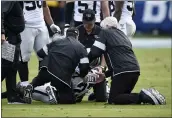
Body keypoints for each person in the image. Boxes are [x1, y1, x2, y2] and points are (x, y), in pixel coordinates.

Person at [87, 16, 166, 105]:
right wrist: (105, 75)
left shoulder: (105, 32)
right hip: (134, 70)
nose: (101, 29)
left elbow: (95, 52)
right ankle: (148, 96)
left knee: (114, 99)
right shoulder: (122, 35)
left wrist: (83, 62)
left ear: (107, 26)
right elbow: (118, 61)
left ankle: (143, 96)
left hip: (123, 72)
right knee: (123, 96)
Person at [23, 27, 90, 104]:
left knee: (38, 81)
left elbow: (40, 53)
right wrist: (80, 75)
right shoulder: (81, 47)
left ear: (66, 35)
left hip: (46, 68)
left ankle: (31, 86)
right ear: (77, 36)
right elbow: (84, 67)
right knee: (69, 99)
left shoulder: (56, 41)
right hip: (62, 74)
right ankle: (52, 91)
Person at [18, 1, 61, 87]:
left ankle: (42, 84)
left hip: (41, 25)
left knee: (45, 56)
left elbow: (44, 6)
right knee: (24, 57)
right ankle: (24, 85)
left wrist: (51, 24)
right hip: (26, 26)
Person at [76, 9, 108, 102]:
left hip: (96, 66)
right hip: (80, 66)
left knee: (102, 99)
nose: (87, 26)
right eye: (85, 23)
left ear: (94, 21)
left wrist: (102, 67)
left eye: (90, 23)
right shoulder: (77, 31)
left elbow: (104, 52)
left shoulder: (101, 32)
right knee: (76, 98)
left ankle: (103, 87)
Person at [1, 1, 27, 104]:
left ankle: (12, 97)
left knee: (12, 66)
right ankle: (12, 97)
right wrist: (1, 32)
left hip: (14, 36)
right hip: (9, 36)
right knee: (6, 65)